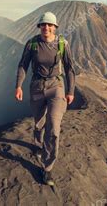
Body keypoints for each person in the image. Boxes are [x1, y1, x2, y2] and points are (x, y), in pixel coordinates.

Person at [15, 11, 76, 186]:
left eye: (50, 25)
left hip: (56, 87)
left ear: (55, 27)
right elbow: (23, 65)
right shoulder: (32, 44)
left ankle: (47, 168)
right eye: (43, 25)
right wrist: (18, 85)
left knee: (54, 126)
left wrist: (70, 91)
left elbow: (70, 68)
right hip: (36, 87)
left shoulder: (62, 43)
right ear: (40, 27)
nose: (46, 28)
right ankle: (37, 142)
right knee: (39, 122)